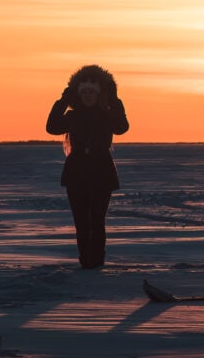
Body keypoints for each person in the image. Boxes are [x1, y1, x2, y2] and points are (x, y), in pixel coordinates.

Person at [46, 64, 129, 269]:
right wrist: (64, 100)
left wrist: (114, 99)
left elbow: (122, 128)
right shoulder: (72, 117)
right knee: (81, 221)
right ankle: (85, 262)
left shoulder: (107, 114)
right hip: (77, 171)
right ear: (78, 93)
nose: (88, 95)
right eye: (84, 92)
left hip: (102, 170)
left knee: (97, 220)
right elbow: (52, 127)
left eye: (92, 91)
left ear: (100, 93)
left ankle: (97, 262)